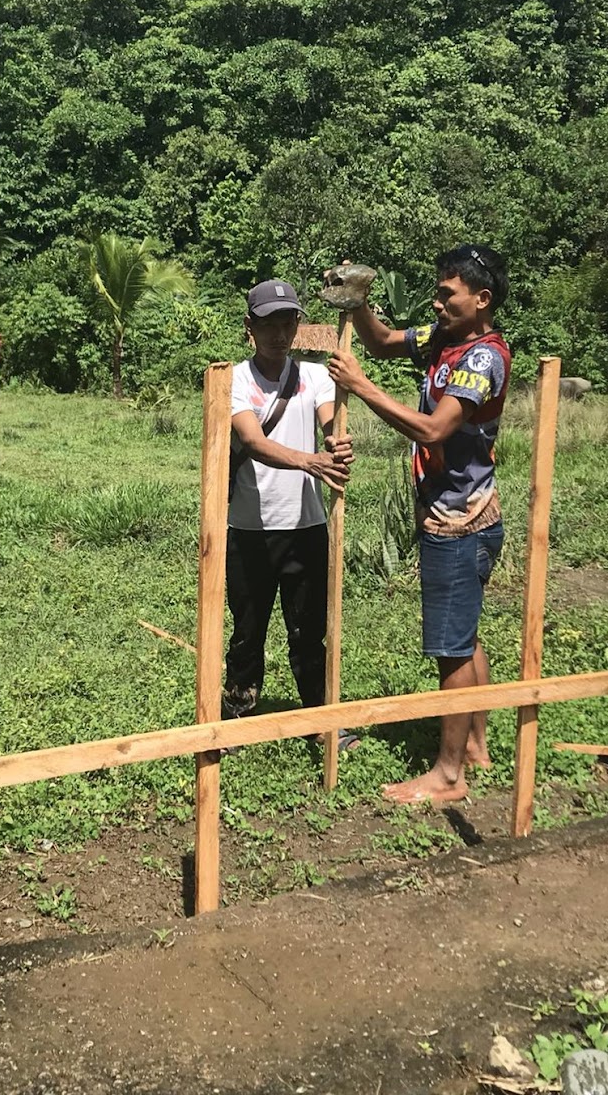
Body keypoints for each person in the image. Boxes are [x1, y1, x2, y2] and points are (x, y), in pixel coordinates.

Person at [325, 244, 514, 805]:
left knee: (452, 649)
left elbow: (433, 431)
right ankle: (476, 745)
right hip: (463, 512)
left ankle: (448, 775)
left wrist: (360, 387)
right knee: (467, 637)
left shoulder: (482, 358)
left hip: (460, 520)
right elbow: (383, 342)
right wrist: (358, 304)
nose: (437, 302)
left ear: (482, 300)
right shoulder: (444, 339)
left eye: (448, 295)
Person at [225, 279, 355, 742]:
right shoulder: (234, 379)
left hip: (307, 526)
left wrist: (335, 442)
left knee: (309, 631)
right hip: (250, 528)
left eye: (288, 323)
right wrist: (312, 461)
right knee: (247, 632)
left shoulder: (315, 377)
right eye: (269, 325)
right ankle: (237, 716)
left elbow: (328, 420)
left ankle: (320, 720)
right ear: (250, 328)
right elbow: (254, 442)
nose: (279, 334)